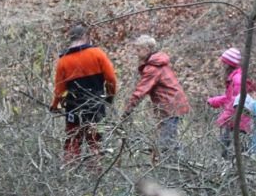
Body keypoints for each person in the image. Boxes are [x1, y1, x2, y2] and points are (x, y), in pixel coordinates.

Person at [51, 24, 118, 164]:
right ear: (85, 37)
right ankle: (96, 173)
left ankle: (70, 173)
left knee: (72, 141)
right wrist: (110, 96)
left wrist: (55, 105)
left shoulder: (63, 61)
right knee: (96, 141)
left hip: (73, 108)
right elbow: (111, 78)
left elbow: (59, 89)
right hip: (97, 106)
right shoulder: (97, 53)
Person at [123, 35, 190, 158]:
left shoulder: (153, 68)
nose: (137, 53)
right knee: (168, 138)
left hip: (170, 106)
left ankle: (176, 168)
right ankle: (176, 163)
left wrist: (127, 110)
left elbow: (141, 91)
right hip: (171, 105)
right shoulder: (157, 63)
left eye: (139, 50)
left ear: (147, 49)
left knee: (167, 142)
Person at [207, 47, 254, 156]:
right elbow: (229, 98)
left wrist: (225, 118)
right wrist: (213, 101)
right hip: (235, 120)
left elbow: (236, 101)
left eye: (223, 63)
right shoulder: (234, 78)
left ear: (228, 64)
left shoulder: (237, 80)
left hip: (239, 121)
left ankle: (236, 169)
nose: (221, 66)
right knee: (227, 145)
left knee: (238, 150)